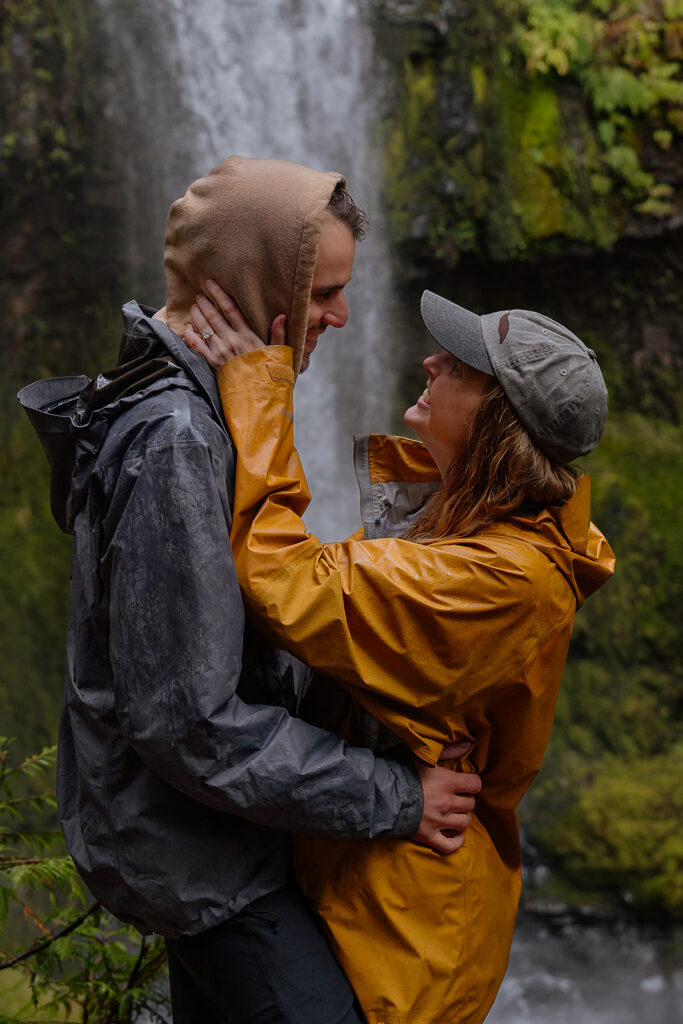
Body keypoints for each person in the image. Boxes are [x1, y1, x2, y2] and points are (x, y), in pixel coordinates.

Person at [18, 156, 481, 1024]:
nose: (340, 317)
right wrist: (395, 798)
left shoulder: (203, 397)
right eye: (321, 294)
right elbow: (187, 721)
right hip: (200, 856)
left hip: (216, 834)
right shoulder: (177, 440)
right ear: (254, 279)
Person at [184, 282, 616, 1024]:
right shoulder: (466, 528)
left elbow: (285, 580)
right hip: (372, 872)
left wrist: (258, 374)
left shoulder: (501, 578)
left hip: (410, 928)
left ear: (495, 420)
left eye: (456, 365)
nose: (428, 361)